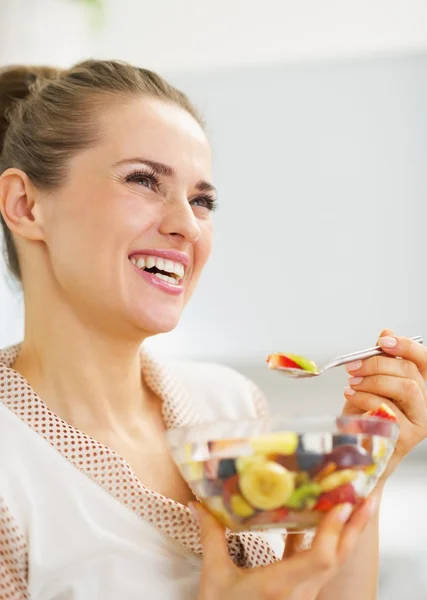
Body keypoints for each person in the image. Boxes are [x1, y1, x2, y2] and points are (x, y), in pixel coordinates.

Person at [0, 60, 425, 600]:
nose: (187, 224)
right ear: (26, 204)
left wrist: (362, 475)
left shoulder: (230, 406)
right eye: (143, 180)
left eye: (202, 200)